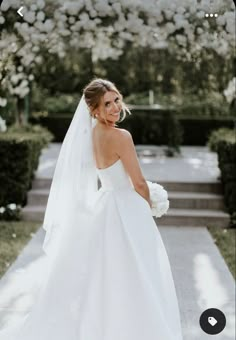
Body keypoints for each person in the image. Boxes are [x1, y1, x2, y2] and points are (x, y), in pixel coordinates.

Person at [0, 78, 183, 340]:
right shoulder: (122, 136)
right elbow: (138, 182)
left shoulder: (92, 134)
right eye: (106, 104)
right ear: (94, 110)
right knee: (135, 270)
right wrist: (149, 205)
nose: (115, 107)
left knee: (100, 272)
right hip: (125, 206)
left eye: (116, 100)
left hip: (103, 204)